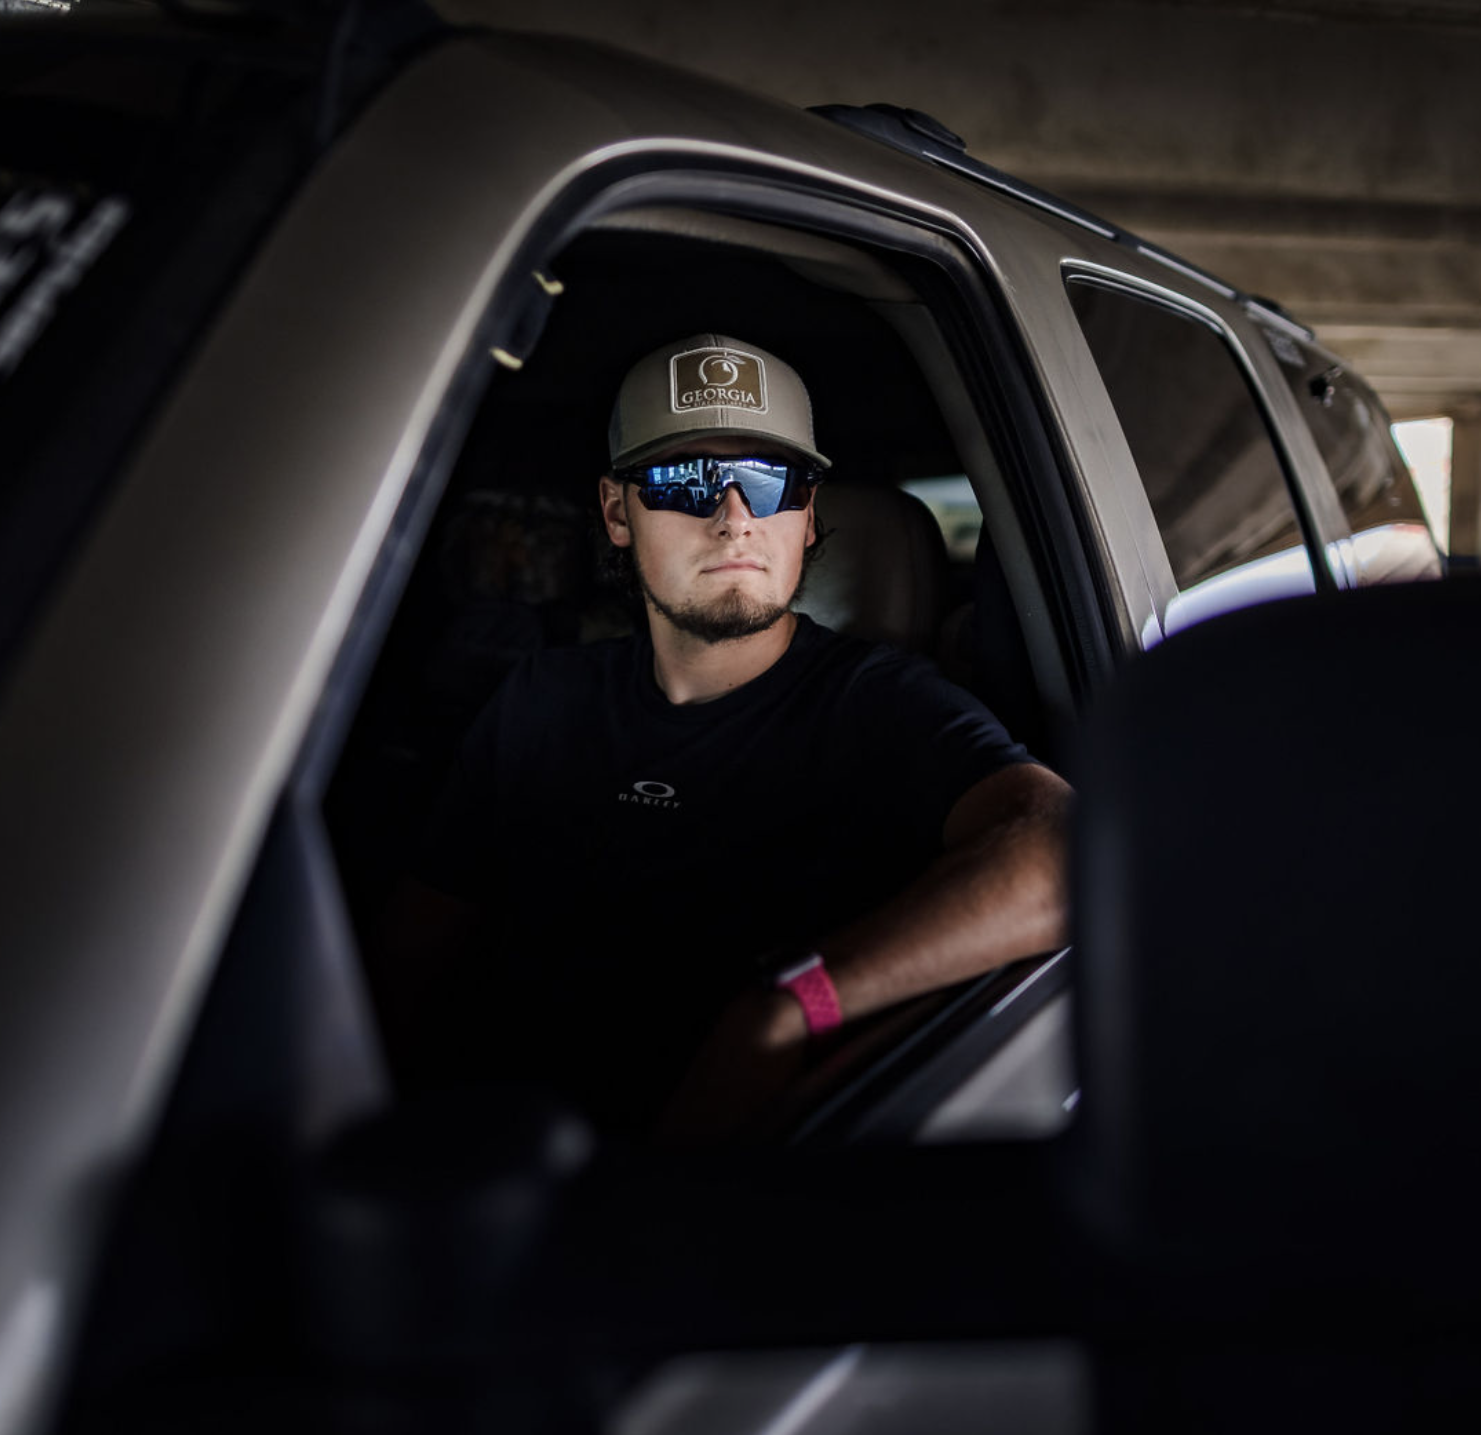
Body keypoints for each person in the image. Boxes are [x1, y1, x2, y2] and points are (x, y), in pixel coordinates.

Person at [381, 333, 1071, 1142]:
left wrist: (789, 1006)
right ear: (616, 513)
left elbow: (1065, 848)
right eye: (686, 480)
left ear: (807, 517)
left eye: (768, 480)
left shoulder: (879, 708)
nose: (735, 516)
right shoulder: (541, 696)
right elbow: (414, 956)